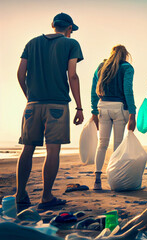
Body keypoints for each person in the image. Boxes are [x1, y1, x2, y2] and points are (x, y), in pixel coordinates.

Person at [16, 13, 84, 210]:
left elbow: (21, 73)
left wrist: (29, 96)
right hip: (57, 105)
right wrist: (79, 107)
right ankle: (46, 196)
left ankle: (20, 193)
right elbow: (72, 75)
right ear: (69, 28)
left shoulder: (32, 43)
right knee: (53, 149)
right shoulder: (71, 44)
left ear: (53, 25)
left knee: (27, 148)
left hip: (33, 104)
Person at [91, 45, 136, 190]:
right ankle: (114, 178)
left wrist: (94, 111)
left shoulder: (101, 66)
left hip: (102, 106)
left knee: (102, 144)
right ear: (125, 55)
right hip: (119, 108)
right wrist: (132, 113)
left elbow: (94, 90)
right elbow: (128, 90)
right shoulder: (127, 68)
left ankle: (97, 181)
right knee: (117, 145)